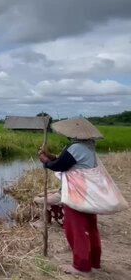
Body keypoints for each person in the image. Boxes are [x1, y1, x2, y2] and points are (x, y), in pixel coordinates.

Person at [38, 118, 103, 275]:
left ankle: (81, 266)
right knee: (90, 227)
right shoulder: (89, 146)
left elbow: (59, 165)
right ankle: (93, 261)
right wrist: (51, 157)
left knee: (75, 228)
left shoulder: (76, 148)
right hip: (89, 192)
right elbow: (65, 161)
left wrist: (45, 161)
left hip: (77, 194)